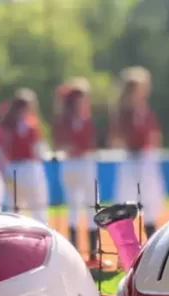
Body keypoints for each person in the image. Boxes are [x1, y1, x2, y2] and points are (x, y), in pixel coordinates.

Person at [108, 66, 165, 239]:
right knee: (126, 198)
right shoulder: (123, 112)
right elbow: (115, 139)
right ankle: (126, 239)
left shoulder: (144, 110)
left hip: (145, 157)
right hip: (131, 157)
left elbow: (153, 135)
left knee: (150, 197)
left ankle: (150, 235)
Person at [53, 77, 101, 265]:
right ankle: (83, 251)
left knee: (85, 206)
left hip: (78, 163)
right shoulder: (73, 119)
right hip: (77, 163)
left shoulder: (69, 118)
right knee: (82, 205)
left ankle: (91, 252)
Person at [0, 88, 50, 223]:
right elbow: (39, 150)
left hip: (11, 168)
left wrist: (4, 170)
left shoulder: (6, 124)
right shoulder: (31, 123)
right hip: (30, 168)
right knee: (38, 209)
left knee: (13, 211)